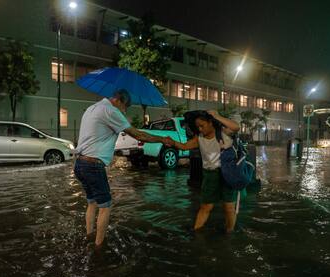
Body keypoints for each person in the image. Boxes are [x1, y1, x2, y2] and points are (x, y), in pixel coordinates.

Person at [74, 89, 172, 248]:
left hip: (80, 164)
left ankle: (88, 235)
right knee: (105, 206)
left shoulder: (93, 108)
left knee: (92, 203)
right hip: (93, 165)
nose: (124, 111)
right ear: (119, 101)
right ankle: (99, 246)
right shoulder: (111, 111)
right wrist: (162, 139)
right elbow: (139, 135)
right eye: (125, 107)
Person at [170, 110, 242, 233]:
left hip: (227, 173)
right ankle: (196, 231)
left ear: (210, 122)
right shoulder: (199, 138)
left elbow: (236, 127)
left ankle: (230, 232)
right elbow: (184, 146)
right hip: (209, 175)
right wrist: (171, 142)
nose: (199, 129)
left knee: (228, 206)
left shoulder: (224, 133)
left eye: (202, 126)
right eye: (197, 126)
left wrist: (217, 115)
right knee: (205, 206)